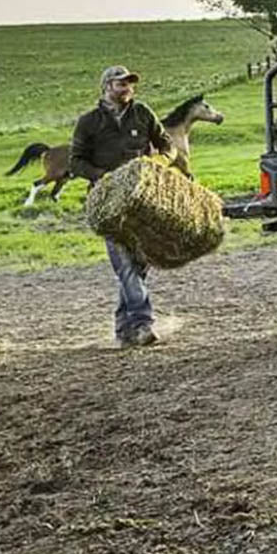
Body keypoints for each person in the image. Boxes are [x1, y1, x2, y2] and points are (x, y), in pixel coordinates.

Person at [70, 65, 176, 349]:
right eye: (121, 83)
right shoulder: (88, 122)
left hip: (143, 201)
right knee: (125, 264)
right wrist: (102, 176)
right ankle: (143, 323)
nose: (128, 87)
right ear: (107, 86)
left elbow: (168, 146)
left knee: (138, 264)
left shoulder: (143, 113)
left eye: (130, 83)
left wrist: (159, 162)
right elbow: (75, 162)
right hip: (107, 204)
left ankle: (123, 330)